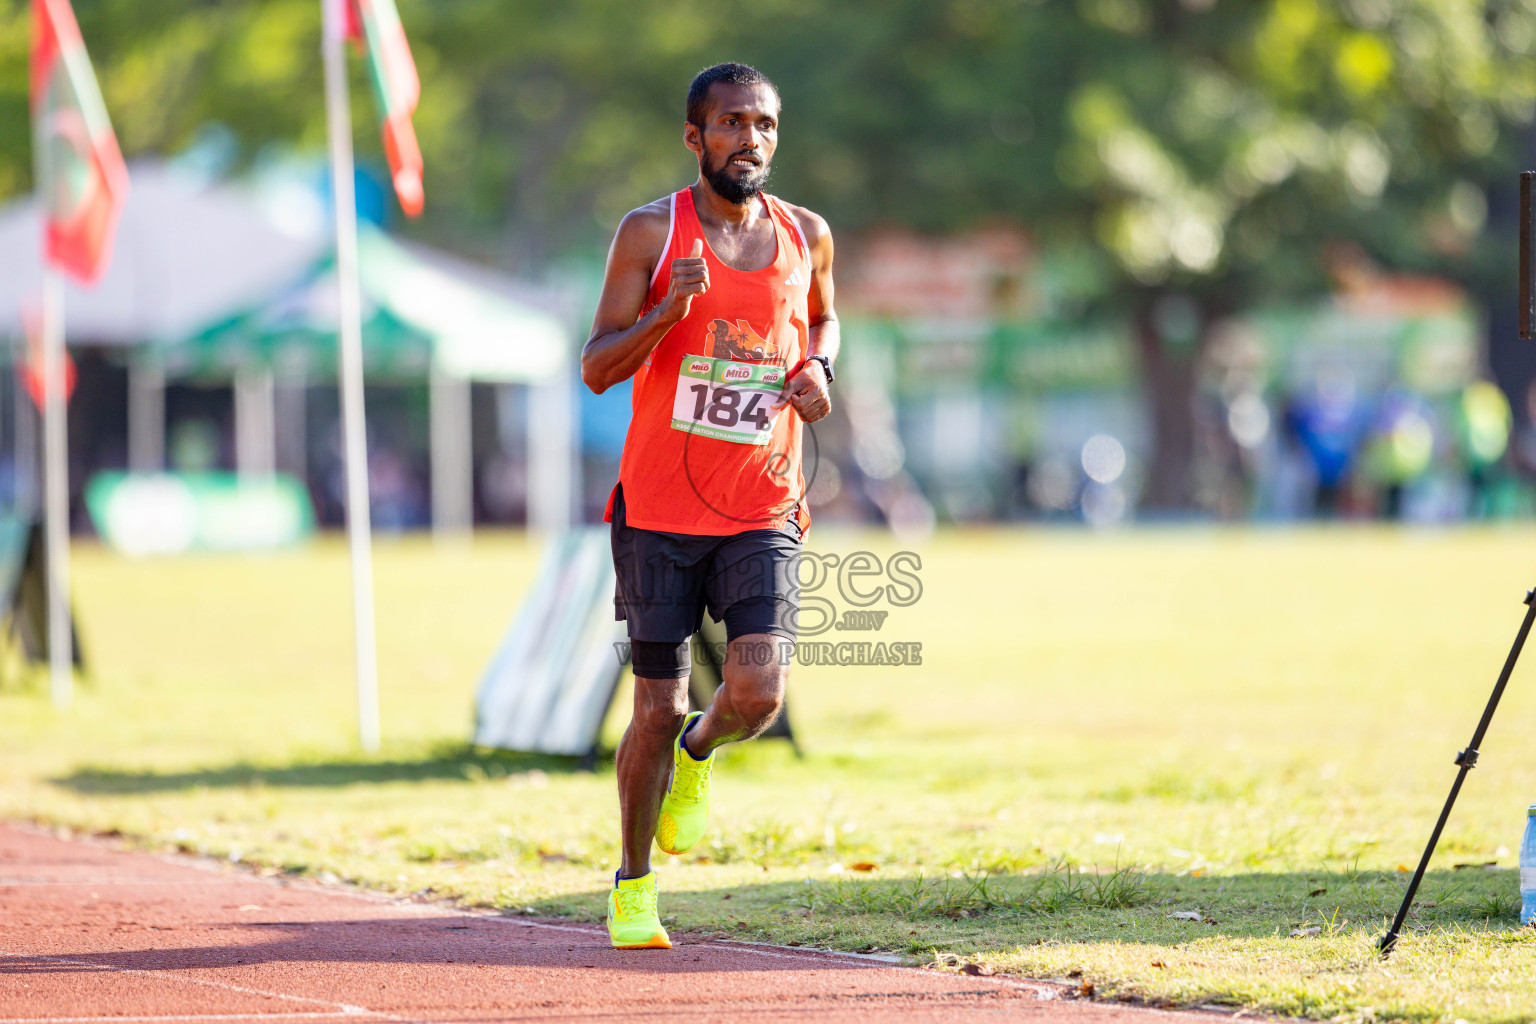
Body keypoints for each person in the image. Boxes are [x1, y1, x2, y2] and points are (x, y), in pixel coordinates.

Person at [581, 62, 838, 949]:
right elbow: (598, 365)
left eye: (764, 125)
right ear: (696, 139)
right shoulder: (651, 231)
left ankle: (699, 753)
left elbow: (824, 321)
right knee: (652, 704)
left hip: (761, 502)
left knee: (759, 692)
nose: (751, 141)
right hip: (656, 509)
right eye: (732, 125)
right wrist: (665, 309)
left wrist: (818, 371)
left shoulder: (806, 233)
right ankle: (632, 886)